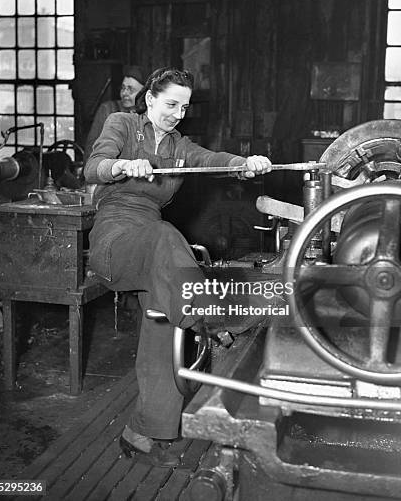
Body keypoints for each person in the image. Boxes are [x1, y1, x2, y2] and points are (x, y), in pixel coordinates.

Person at [84, 67, 272, 467]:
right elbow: (94, 165)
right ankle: (208, 314)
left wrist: (245, 163)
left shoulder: (179, 146)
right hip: (115, 240)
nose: (177, 113)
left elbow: (212, 159)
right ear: (150, 99)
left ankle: (145, 432)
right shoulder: (123, 124)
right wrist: (119, 167)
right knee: (166, 235)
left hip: (154, 251)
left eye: (184, 107)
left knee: (160, 330)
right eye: (171, 104)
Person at [83, 65, 145, 164]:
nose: (124, 93)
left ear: (145, 93)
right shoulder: (107, 110)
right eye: (123, 88)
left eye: (130, 89)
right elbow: (91, 148)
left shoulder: (150, 115)